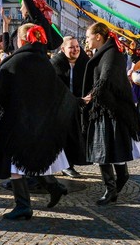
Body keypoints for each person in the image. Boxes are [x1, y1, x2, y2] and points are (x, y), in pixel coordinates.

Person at [0, 23, 78, 220]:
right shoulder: (44, 61)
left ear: (21, 40)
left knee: (17, 167)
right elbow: (58, 90)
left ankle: (23, 206)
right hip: (40, 122)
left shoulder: (16, 61)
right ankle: (54, 188)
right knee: (32, 162)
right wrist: (77, 102)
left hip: (20, 122)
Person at [82, 22, 140, 206]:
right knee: (107, 150)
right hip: (105, 108)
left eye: (88, 36)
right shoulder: (106, 51)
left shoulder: (111, 53)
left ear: (98, 36)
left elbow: (106, 78)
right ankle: (115, 184)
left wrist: (91, 96)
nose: (86, 40)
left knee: (105, 150)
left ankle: (112, 187)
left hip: (111, 109)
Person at [50, 36, 89, 178]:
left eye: (77, 46)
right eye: (71, 47)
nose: (76, 49)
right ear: (63, 49)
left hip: (80, 106)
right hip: (61, 106)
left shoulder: (85, 62)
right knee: (63, 136)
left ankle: (71, 162)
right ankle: (66, 165)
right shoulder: (55, 64)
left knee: (76, 136)